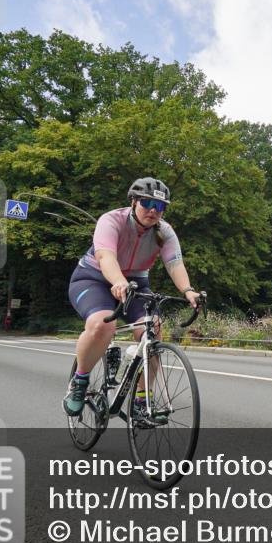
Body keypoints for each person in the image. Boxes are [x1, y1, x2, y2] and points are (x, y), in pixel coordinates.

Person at [64, 177, 199, 421]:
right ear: (133, 201)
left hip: (136, 282)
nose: (153, 210)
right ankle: (80, 380)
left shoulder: (164, 232)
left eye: (159, 207)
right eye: (147, 203)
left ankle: (141, 401)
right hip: (93, 278)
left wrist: (188, 291)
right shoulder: (111, 220)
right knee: (102, 324)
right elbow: (105, 257)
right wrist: (117, 281)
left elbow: (175, 263)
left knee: (153, 330)